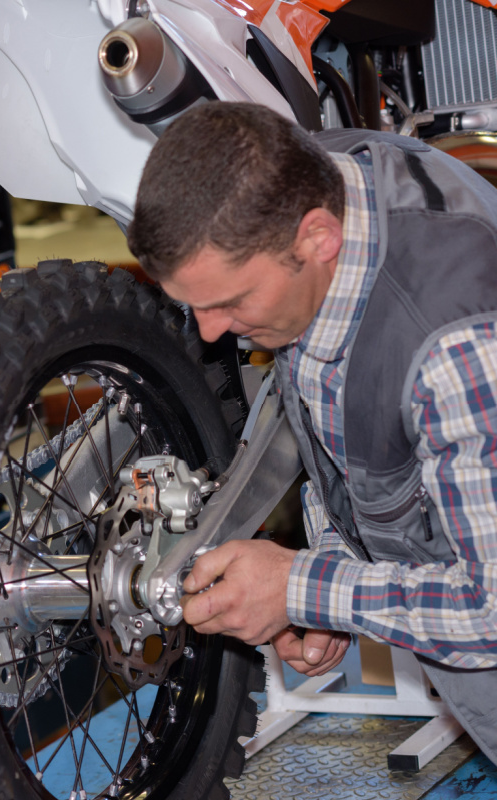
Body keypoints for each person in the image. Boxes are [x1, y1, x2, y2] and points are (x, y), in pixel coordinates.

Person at [126, 101, 497, 761]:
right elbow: (349, 426)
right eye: (194, 306)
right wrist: (333, 579)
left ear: (317, 240)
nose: (210, 333)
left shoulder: (455, 347)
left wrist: (300, 586)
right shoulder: (312, 183)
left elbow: (492, 606)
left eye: (231, 302)